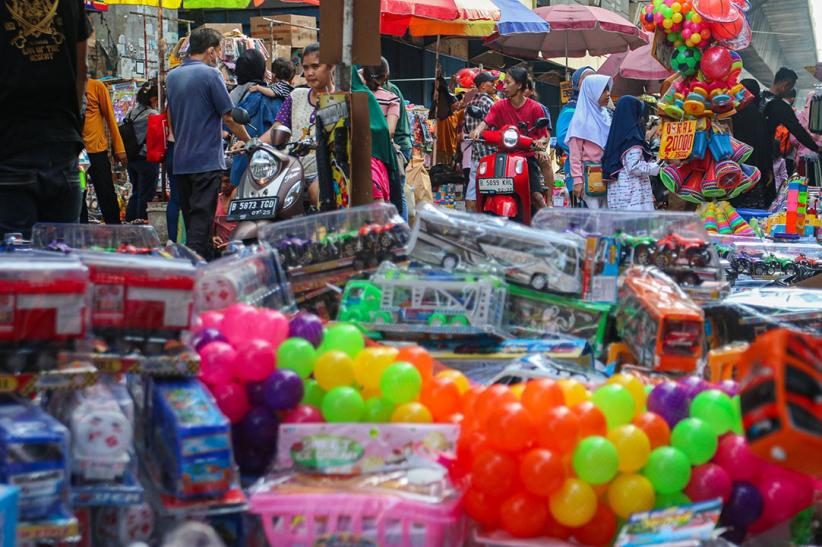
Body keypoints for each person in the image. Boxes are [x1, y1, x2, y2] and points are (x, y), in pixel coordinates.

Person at [0, 0, 91, 238]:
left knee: (16, 266)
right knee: (61, 261)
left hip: (9, 148)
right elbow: (82, 71)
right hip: (62, 146)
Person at [166, 27, 250, 258]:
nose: (220, 56)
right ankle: (194, 272)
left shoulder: (172, 76)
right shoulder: (211, 75)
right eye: (220, 50)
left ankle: (197, 265)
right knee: (201, 226)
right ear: (211, 51)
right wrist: (250, 141)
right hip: (205, 162)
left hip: (180, 161)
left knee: (192, 218)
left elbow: (172, 116)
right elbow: (229, 116)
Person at [260, 42, 334, 207]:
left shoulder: (340, 99)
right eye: (305, 68)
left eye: (315, 66)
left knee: (318, 195)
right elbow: (276, 129)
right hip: (291, 169)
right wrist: (254, 143)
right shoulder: (296, 95)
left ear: (331, 66)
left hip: (323, 172)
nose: (309, 73)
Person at [470, 67, 549, 211]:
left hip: (526, 156)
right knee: (483, 187)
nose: (503, 86)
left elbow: (544, 135)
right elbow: (486, 122)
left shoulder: (535, 108)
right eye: (503, 83)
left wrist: (539, 142)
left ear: (519, 85)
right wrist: (477, 131)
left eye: (508, 82)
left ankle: (546, 217)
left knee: (536, 196)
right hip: (503, 155)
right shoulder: (498, 106)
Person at [763, 68, 820, 197]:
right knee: (767, 194)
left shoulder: (756, 98)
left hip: (747, 155)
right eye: (790, 88)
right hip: (766, 157)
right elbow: (798, 130)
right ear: (785, 85)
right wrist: (816, 148)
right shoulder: (780, 106)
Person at [229, 49, 283, 186]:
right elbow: (281, 130)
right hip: (267, 166)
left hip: (241, 162)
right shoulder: (271, 99)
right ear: (261, 70)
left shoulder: (231, 97)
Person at [602, 96, 659, 211]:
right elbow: (634, 167)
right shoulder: (633, 138)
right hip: (633, 196)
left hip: (618, 194)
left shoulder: (616, 136)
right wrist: (657, 167)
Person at [83, 78, 127, 224]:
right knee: (78, 195)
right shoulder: (66, 87)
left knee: (106, 193)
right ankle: (80, 232)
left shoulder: (96, 86)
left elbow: (110, 117)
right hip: (76, 151)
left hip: (97, 150)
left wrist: (119, 148)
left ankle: (115, 229)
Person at [565, 74, 612, 209]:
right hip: (589, 177)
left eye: (608, 90)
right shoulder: (580, 120)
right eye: (603, 90)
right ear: (592, 92)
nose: (608, 94)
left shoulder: (606, 116)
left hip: (607, 175)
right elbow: (575, 155)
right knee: (595, 215)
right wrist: (577, 181)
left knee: (606, 215)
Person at [730, 79, 773, 210]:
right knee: (750, 206)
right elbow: (762, 143)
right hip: (752, 167)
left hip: (730, 164)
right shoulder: (754, 112)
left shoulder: (729, 109)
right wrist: (767, 169)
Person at [556, 67, 596, 195]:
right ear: (576, 83)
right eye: (586, 78)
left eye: (594, 78)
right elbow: (563, 138)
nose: (591, 81)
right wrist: (589, 149)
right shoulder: (570, 109)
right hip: (578, 169)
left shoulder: (601, 109)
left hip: (598, 170)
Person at [124, 81, 160, 222]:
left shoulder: (131, 112)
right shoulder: (153, 114)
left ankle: (129, 221)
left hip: (131, 158)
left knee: (136, 191)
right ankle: (140, 223)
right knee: (146, 193)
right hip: (146, 158)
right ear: (152, 99)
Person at [463, 72, 497, 211]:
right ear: (483, 85)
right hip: (491, 153)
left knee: (472, 190)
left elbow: (466, 128)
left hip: (476, 154)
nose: (494, 85)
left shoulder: (468, 104)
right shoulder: (488, 102)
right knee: (494, 189)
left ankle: (471, 219)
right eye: (491, 83)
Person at [794, 89, 822, 185]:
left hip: (802, 158)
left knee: (804, 187)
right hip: (820, 155)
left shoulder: (800, 116)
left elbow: (793, 139)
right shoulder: (819, 116)